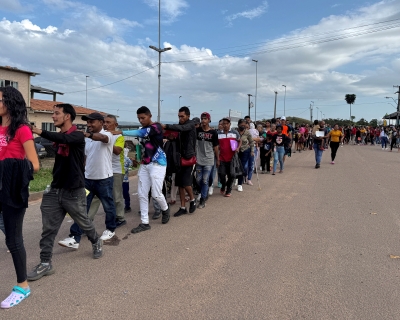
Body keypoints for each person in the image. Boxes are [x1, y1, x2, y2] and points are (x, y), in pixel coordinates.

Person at [28, 104, 104, 283]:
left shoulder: (77, 136)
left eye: (56, 114)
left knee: (84, 222)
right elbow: (59, 139)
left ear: (67, 116)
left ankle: (96, 240)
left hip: (74, 191)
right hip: (55, 190)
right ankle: (45, 263)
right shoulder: (60, 139)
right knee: (48, 229)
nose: (53, 117)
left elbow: (63, 138)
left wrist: (38, 131)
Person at [0, 86, 40, 308]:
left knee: (13, 240)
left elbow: (34, 165)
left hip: (12, 189)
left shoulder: (22, 129)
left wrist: (6, 166)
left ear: (10, 103)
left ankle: (23, 286)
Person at [64, 112, 117, 245]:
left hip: (104, 179)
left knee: (108, 206)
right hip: (87, 179)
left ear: (100, 122)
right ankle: (75, 237)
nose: (89, 125)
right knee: (81, 208)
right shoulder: (87, 140)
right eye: (87, 122)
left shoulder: (108, 134)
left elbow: (103, 138)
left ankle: (110, 229)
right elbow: (85, 158)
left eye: (91, 122)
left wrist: (89, 135)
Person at [122, 106, 170, 232]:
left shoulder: (156, 127)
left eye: (143, 118)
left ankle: (165, 209)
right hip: (145, 163)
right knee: (142, 193)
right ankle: (144, 222)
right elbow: (143, 145)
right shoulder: (143, 128)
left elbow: (141, 133)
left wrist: (121, 132)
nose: (141, 120)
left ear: (150, 116)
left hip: (158, 163)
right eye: (139, 118)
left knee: (156, 193)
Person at [87, 115, 126, 228]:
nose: (106, 124)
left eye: (109, 122)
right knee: (94, 196)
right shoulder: (98, 136)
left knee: (115, 195)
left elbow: (117, 151)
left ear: (116, 125)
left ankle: (120, 217)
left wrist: (107, 140)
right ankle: (88, 220)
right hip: (102, 170)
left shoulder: (119, 137)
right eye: (105, 122)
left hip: (116, 170)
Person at [162, 107, 197, 217]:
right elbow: (178, 138)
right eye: (179, 116)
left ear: (188, 116)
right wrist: (172, 138)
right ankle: (182, 207)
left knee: (186, 183)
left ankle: (192, 200)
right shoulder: (180, 126)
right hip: (179, 159)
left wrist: (166, 126)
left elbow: (182, 128)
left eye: (182, 116)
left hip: (189, 158)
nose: (180, 118)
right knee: (179, 184)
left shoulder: (190, 125)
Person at [195, 112, 219, 209]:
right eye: (202, 118)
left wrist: (218, 159)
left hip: (209, 159)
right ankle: (204, 190)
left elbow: (216, 147)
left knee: (204, 180)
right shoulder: (197, 131)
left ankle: (203, 199)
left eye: (205, 119)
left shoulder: (213, 132)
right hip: (199, 159)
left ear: (209, 120)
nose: (203, 120)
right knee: (198, 179)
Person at [218, 118, 241, 197]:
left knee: (232, 175)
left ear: (230, 124)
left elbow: (239, 140)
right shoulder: (219, 133)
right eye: (223, 123)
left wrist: (238, 148)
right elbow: (216, 146)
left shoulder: (234, 132)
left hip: (232, 158)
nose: (225, 125)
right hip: (222, 158)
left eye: (227, 123)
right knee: (222, 175)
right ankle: (223, 186)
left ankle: (228, 190)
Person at [236, 119, 254, 191]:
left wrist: (252, 151)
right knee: (235, 167)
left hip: (245, 150)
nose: (243, 126)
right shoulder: (235, 132)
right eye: (241, 125)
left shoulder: (247, 133)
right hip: (235, 151)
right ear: (238, 125)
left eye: (244, 125)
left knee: (242, 167)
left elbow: (251, 142)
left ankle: (240, 184)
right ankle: (235, 179)